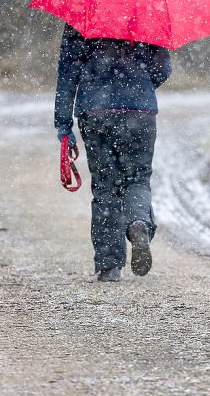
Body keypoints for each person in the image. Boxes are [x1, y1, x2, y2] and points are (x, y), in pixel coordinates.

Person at [54, 23, 171, 282]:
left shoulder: (82, 13)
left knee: (105, 187)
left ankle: (109, 265)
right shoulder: (149, 9)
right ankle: (138, 224)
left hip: (96, 111)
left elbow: (68, 72)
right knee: (138, 179)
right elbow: (162, 69)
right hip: (140, 111)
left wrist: (63, 125)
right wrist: (137, 85)